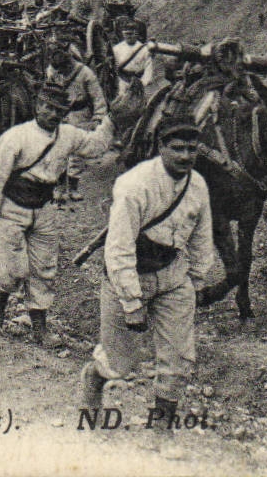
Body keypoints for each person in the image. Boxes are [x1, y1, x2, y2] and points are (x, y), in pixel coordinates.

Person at [78, 111, 214, 429]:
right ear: (160, 147)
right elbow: (118, 248)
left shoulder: (197, 185)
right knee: (119, 365)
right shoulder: (134, 185)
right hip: (128, 277)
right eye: (177, 148)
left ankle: (161, 430)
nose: (185, 156)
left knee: (178, 361)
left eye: (191, 149)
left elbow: (201, 236)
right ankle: (93, 378)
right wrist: (132, 302)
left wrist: (196, 280)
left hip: (173, 276)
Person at [0, 83, 115, 344]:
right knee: (13, 270)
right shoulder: (17, 137)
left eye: (58, 110)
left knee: (44, 268)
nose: (52, 113)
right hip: (13, 206)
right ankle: (0, 300)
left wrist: (112, 120)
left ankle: (40, 328)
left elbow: (96, 146)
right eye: (47, 107)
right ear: (37, 106)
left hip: (45, 208)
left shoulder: (68, 135)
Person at [42, 40, 109, 204]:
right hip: (60, 115)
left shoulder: (85, 73)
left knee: (77, 152)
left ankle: (73, 187)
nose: (61, 71)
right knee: (58, 150)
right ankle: (59, 187)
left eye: (64, 67)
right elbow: (48, 93)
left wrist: (98, 117)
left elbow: (98, 97)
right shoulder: (52, 72)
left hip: (80, 115)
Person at [110, 19, 153, 98]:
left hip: (139, 81)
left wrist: (142, 83)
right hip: (123, 81)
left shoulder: (144, 49)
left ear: (136, 34)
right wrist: (120, 82)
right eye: (126, 34)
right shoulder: (116, 49)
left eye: (131, 34)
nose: (129, 36)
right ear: (123, 34)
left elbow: (148, 68)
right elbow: (114, 68)